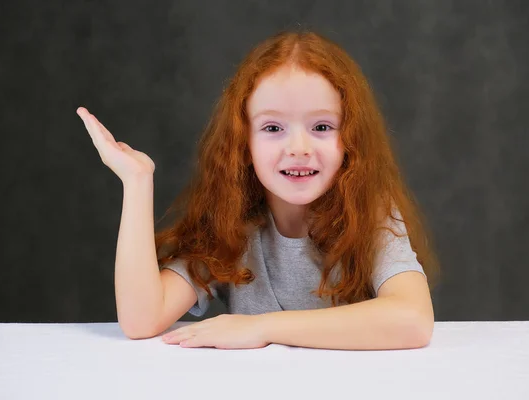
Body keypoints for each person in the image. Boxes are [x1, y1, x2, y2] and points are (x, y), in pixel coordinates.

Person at [77, 29, 440, 351]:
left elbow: (413, 319)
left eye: (322, 127)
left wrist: (260, 328)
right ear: (243, 142)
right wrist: (137, 182)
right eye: (272, 129)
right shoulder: (229, 224)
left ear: (351, 141)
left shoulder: (369, 211)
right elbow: (141, 320)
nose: (298, 147)